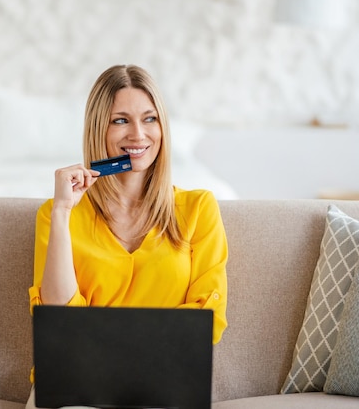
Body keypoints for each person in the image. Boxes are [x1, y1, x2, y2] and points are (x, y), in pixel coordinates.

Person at [26, 64, 228, 409]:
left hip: (165, 378)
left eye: (149, 119)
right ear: (98, 130)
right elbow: (59, 318)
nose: (138, 135)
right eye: (121, 120)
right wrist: (62, 212)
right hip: (76, 379)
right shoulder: (56, 213)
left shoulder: (198, 208)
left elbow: (207, 318)